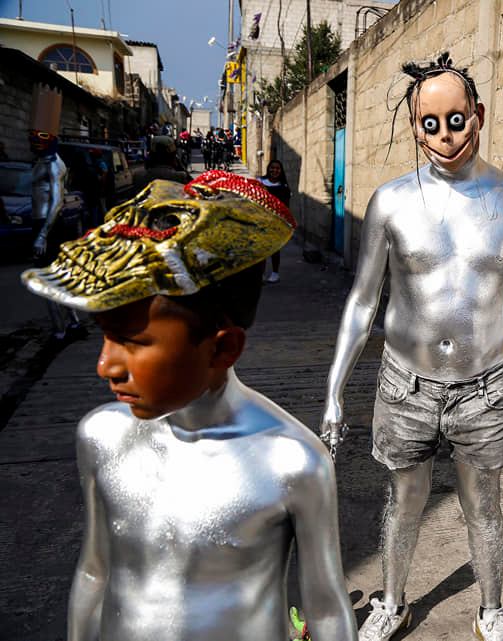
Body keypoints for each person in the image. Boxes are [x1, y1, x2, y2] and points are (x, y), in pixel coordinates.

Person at [21, 171, 358, 641]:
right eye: (104, 336)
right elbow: (96, 571)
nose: (105, 365)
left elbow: (325, 611)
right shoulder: (101, 437)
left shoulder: (293, 463)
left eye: (133, 342)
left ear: (222, 350)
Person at [320, 52, 503, 641]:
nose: (445, 135)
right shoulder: (392, 202)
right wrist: (334, 389)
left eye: (457, 119)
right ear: (414, 126)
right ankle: (393, 602)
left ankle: (492, 609)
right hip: (405, 383)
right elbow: (361, 300)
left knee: (484, 504)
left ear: (479, 115)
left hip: (486, 387)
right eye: (431, 123)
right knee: (404, 501)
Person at [29, 128, 83, 339]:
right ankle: (73, 323)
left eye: (40, 138)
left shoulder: (53, 165)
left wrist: (43, 234)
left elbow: (57, 201)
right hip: (42, 224)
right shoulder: (42, 162)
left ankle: (59, 331)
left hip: (48, 225)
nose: (34, 142)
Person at [259, 159, 291, 283]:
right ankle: (260, 274)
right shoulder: (260, 181)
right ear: (268, 168)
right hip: (261, 219)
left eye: (277, 168)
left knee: (274, 248)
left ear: (281, 171)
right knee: (261, 249)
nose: (274, 170)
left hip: (276, 221)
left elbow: (286, 206)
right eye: (272, 167)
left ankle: (275, 273)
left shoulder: (283, 187)